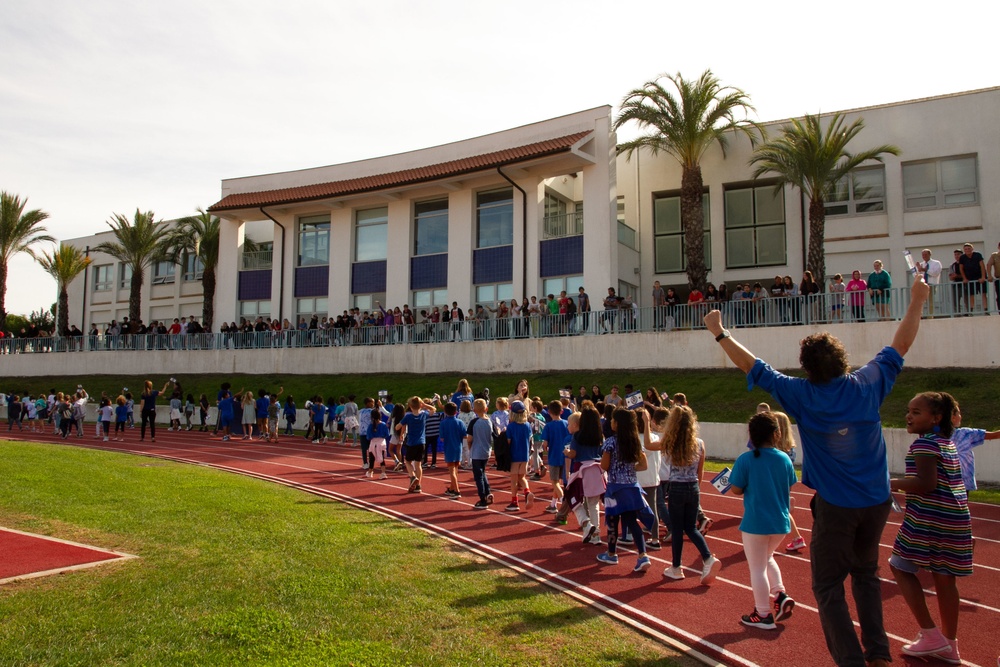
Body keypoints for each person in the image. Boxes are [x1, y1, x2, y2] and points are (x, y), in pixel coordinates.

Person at [703, 273, 931, 667]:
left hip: (837, 507)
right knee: (865, 575)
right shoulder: (868, 383)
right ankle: (877, 654)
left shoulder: (801, 395)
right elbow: (902, 343)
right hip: (877, 501)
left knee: (827, 585)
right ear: (841, 359)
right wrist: (918, 299)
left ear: (806, 367)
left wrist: (720, 333)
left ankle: (851, 661)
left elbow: (754, 367)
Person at [889, 392, 971, 664]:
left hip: (929, 517)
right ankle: (950, 644)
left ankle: (930, 633)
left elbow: (926, 483)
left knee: (899, 565)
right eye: (908, 410)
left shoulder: (924, 445)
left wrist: (888, 484)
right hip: (956, 517)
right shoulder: (946, 443)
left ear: (936, 418)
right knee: (945, 577)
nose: (909, 416)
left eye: (916, 412)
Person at [730, 411, 798, 630]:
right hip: (780, 522)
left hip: (756, 523)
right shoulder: (785, 458)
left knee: (757, 568)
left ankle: (763, 614)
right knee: (767, 557)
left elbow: (736, 489)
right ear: (776, 434)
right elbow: (789, 485)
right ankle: (779, 594)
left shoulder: (745, 460)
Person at [659, 405, 720, 584]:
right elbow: (700, 471)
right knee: (691, 527)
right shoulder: (699, 443)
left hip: (677, 487)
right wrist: (696, 489)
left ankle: (676, 567)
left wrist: (647, 423)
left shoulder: (671, 443)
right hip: (693, 487)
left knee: (677, 529)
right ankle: (708, 558)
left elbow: (651, 446)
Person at [596, 408, 652, 573]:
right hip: (632, 487)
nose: (610, 422)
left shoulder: (611, 442)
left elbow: (604, 466)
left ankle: (611, 553)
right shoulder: (635, 442)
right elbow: (643, 465)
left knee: (612, 521)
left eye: (613, 420)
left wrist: (616, 468)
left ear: (618, 424)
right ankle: (643, 555)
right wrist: (629, 469)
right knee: (632, 521)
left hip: (614, 488)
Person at [949, 399, 1000, 495]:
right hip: (961, 483)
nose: (961, 416)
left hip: (948, 483)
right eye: (959, 413)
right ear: (953, 417)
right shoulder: (966, 434)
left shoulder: (933, 435)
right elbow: (994, 435)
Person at [399, 396, 436, 494]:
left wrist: (399, 429)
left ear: (410, 406)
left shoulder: (408, 416)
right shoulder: (424, 414)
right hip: (422, 442)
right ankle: (418, 485)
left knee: (407, 461)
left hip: (411, 443)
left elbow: (398, 426)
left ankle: (412, 477)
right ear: (420, 405)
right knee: (418, 464)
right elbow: (433, 409)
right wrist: (425, 405)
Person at [540, 401, 569, 514]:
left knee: (554, 482)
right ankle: (553, 504)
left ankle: (563, 501)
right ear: (561, 411)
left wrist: (545, 447)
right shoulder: (567, 424)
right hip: (565, 456)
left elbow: (545, 444)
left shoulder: (548, 426)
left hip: (554, 456)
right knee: (559, 482)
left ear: (549, 412)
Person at [505, 401, 533, 512]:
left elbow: (508, 441)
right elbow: (530, 439)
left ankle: (514, 501)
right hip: (524, 455)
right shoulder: (527, 425)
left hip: (514, 455)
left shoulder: (511, 426)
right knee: (522, 477)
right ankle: (527, 491)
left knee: (513, 480)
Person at [467, 398, 495, 509]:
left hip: (476, 452)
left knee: (478, 476)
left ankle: (482, 498)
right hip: (486, 451)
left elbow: (469, 439)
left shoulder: (474, 422)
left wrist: (470, 448)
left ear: (474, 409)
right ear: (486, 409)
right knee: (483, 472)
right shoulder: (489, 421)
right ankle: (488, 492)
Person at [439, 402, 467, 497]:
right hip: (458, 448)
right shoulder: (460, 422)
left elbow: (442, 438)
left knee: (451, 471)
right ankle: (451, 488)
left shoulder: (443, 423)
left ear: (445, 412)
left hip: (449, 448)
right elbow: (465, 435)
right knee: (455, 470)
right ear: (456, 412)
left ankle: (457, 490)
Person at [958, 242, 988, 314]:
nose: (967, 250)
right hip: (970, 278)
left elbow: (982, 266)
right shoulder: (962, 257)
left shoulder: (977, 255)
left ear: (972, 249)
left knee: (983, 293)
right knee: (971, 294)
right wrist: (964, 278)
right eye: (966, 249)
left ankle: (986, 310)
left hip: (979, 276)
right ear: (964, 250)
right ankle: (971, 310)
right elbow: (961, 269)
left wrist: (983, 277)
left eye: (969, 248)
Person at [915, 249, 943, 316]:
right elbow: (917, 275)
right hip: (922, 285)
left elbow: (935, 273)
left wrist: (924, 270)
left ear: (930, 255)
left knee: (930, 301)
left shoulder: (936, 263)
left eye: (926, 255)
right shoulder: (922, 264)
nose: (924, 256)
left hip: (931, 284)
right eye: (923, 255)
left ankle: (930, 316)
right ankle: (920, 316)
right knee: (920, 301)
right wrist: (917, 269)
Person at [365, 411, 390, 480]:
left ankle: (370, 472)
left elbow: (368, 436)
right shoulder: (384, 425)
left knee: (371, 458)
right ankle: (383, 473)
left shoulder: (371, 425)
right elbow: (387, 435)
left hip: (373, 443)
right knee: (382, 458)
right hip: (381, 443)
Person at [987, 241, 1000, 313]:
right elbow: (989, 264)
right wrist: (989, 276)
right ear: (998, 247)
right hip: (999, 279)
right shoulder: (994, 255)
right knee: (999, 297)